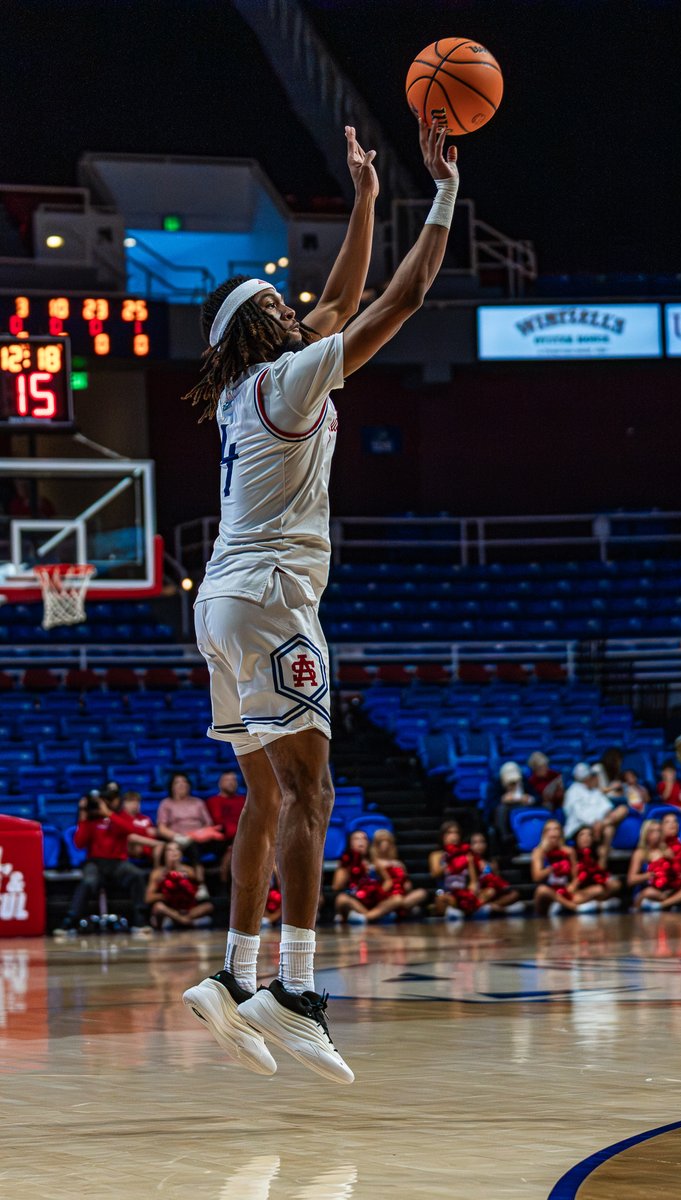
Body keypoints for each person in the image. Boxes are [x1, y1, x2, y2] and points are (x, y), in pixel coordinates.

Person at [182, 117, 460, 1085]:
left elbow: (339, 298)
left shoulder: (238, 396)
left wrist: (368, 198)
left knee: (266, 795)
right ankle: (295, 990)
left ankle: (231, 974)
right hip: (269, 600)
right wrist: (443, 195)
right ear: (269, 325)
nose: (307, 312)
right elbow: (398, 297)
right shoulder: (292, 382)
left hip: (218, 602)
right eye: (287, 308)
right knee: (314, 792)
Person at [55, 790, 150, 935]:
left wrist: (109, 814)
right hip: (95, 862)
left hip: (118, 862)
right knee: (87, 882)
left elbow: (130, 829)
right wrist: (83, 814)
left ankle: (140, 921)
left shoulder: (119, 816)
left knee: (137, 875)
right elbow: (79, 843)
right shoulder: (90, 820)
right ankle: (70, 922)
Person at [333, 829, 406, 925]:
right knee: (341, 899)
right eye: (356, 839)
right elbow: (336, 886)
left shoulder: (374, 861)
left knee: (398, 899)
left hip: (375, 899)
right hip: (356, 900)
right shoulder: (345, 863)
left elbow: (388, 880)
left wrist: (380, 894)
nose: (361, 841)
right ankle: (373, 916)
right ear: (350, 843)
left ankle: (366, 917)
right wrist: (349, 866)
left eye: (364, 839)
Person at [563, 763, 627, 863]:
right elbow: (579, 814)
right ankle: (601, 861)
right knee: (609, 830)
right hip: (580, 826)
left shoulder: (595, 792)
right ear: (586, 778)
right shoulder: (573, 791)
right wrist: (594, 823)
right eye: (592, 776)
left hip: (600, 825)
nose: (595, 778)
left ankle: (601, 862)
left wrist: (603, 820)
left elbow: (608, 808)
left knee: (622, 809)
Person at [146, 841, 214, 929]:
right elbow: (148, 898)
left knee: (208, 906)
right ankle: (183, 921)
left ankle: (182, 920)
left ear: (181, 854)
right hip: (170, 911)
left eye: (176, 850)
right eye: (169, 850)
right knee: (158, 907)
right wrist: (166, 895)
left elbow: (200, 893)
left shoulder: (188, 871)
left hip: (187, 909)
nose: (173, 853)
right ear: (164, 854)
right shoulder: (157, 873)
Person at [531, 819, 593, 915]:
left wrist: (573, 885)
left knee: (595, 890)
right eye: (549, 830)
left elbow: (576, 876)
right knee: (541, 891)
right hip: (548, 892)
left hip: (564, 889)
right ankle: (572, 907)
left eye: (556, 829)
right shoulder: (539, 852)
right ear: (544, 835)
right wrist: (552, 868)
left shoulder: (569, 851)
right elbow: (536, 877)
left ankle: (560, 905)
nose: (553, 833)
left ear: (561, 833)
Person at [429, 820, 486, 920]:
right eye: (450, 833)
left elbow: (473, 880)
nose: (454, 836)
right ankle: (458, 911)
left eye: (456, 833)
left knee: (485, 893)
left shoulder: (467, 855)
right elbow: (435, 874)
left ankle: (459, 911)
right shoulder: (436, 855)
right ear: (443, 836)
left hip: (462, 891)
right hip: (445, 891)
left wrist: (472, 891)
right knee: (441, 898)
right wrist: (451, 859)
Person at [156, 772, 222, 856]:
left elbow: (208, 823)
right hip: (179, 840)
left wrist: (196, 835)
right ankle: (197, 868)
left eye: (184, 782)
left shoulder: (198, 802)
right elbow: (161, 828)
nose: (182, 784)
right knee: (186, 847)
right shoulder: (166, 803)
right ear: (171, 787)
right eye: (177, 782)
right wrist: (178, 837)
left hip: (200, 839)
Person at [370, 828, 428, 918]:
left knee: (421, 893)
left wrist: (407, 885)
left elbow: (406, 881)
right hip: (387, 896)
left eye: (387, 841)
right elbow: (381, 884)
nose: (385, 844)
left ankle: (395, 910)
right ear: (376, 845)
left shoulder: (398, 863)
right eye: (381, 841)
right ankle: (394, 909)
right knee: (398, 900)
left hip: (402, 894)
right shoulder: (376, 863)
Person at [468, 831, 524, 915]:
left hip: (493, 892)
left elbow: (497, 880)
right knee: (490, 892)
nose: (479, 845)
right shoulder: (469, 860)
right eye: (475, 843)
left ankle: (491, 906)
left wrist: (492, 870)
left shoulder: (492, 862)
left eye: (482, 842)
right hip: (479, 892)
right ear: (470, 846)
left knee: (514, 894)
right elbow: (473, 883)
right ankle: (500, 909)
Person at [206, 769, 247, 882]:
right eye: (227, 780)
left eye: (234, 780)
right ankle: (225, 884)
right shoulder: (214, 801)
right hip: (223, 838)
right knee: (234, 847)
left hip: (244, 836)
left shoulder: (243, 799)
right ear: (220, 783)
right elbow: (218, 822)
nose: (231, 782)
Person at [572, 826, 622, 910]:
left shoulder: (595, 853)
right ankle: (601, 902)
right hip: (578, 888)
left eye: (589, 835)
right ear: (576, 839)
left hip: (593, 885)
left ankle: (594, 903)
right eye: (582, 835)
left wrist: (602, 857)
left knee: (615, 884)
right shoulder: (572, 853)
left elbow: (601, 872)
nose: (586, 838)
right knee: (580, 896)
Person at [494, 761, 532, 841]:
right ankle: (505, 836)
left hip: (523, 807)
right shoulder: (496, 785)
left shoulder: (524, 781)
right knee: (501, 809)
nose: (513, 784)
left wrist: (529, 799)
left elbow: (537, 797)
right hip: (506, 810)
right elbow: (490, 805)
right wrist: (503, 799)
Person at [122, 790, 159, 865]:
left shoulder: (145, 818)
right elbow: (129, 834)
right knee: (133, 838)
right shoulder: (121, 818)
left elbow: (153, 833)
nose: (135, 804)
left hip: (149, 849)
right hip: (131, 849)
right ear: (124, 804)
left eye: (137, 801)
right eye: (131, 801)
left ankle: (156, 869)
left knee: (163, 848)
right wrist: (145, 831)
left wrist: (156, 831)